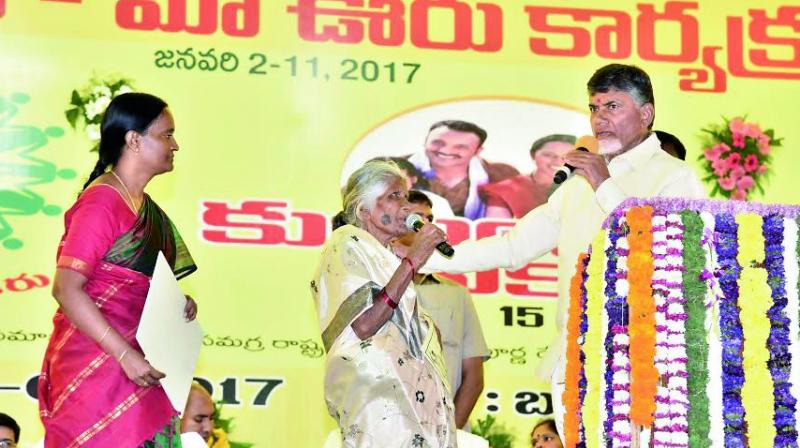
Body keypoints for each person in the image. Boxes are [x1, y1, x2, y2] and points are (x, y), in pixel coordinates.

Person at [423, 64, 707, 434]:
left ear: (646, 114)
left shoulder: (673, 176)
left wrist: (604, 185)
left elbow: (671, 255)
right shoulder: (578, 184)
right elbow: (513, 248)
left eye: (613, 107)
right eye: (594, 107)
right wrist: (426, 256)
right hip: (574, 354)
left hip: (644, 361)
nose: (600, 119)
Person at [38, 92, 198, 447]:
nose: (176, 145)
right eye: (167, 134)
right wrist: (124, 355)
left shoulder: (143, 206)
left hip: (141, 365)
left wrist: (176, 305)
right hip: (102, 367)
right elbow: (66, 288)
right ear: (134, 140)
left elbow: (139, 286)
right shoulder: (102, 202)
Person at [313, 160, 456, 447]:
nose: (407, 206)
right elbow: (364, 325)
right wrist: (412, 261)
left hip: (418, 411)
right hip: (384, 415)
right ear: (363, 210)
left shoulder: (387, 256)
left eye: (405, 196)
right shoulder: (346, 242)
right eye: (393, 196)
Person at [390, 190, 489, 429]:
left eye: (429, 219)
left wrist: (450, 433)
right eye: (417, 218)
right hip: (386, 427)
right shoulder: (378, 282)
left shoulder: (456, 294)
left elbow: (473, 377)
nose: (425, 226)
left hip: (445, 429)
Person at [406, 120, 518, 219]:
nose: (446, 150)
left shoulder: (503, 175)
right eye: (438, 143)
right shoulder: (395, 167)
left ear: (478, 151)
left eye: (460, 147)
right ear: (425, 141)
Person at [480, 134, 576, 218]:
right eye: (548, 155)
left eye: (568, 156)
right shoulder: (505, 190)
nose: (558, 161)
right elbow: (498, 231)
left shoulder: (585, 188)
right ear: (533, 155)